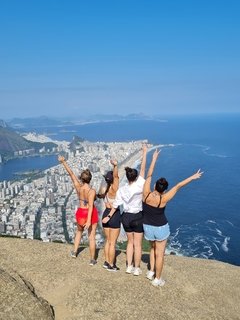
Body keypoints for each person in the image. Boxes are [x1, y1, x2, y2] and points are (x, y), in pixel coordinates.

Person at [142, 149, 203, 287]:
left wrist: (154, 159)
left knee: (152, 248)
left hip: (147, 226)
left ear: (154, 186)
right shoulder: (164, 198)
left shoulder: (145, 193)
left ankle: (151, 271)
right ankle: (157, 279)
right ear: (164, 190)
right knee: (160, 253)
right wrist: (192, 177)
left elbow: (149, 173)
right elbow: (179, 185)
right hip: (161, 228)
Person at [103, 144, 147, 276]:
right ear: (136, 177)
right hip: (138, 216)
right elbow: (143, 169)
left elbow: (115, 205)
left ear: (127, 178)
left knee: (130, 242)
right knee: (138, 245)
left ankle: (128, 266)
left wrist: (108, 217)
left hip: (125, 217)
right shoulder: (140, 184)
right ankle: (137, 268)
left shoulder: (122, 190)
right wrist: (145, 152)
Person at [58, 155, 98, 265]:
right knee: (91, 237)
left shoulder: (78, 187)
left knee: (79, 232)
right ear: (90, 179)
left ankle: (74, 252)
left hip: (80, 212)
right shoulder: (92, 191)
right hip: (89, 213)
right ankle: (92, 259)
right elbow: (90, 207)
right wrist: (89, 220)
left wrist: (63, 162)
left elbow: (71, 174)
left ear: (81, 178)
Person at [97, 160, 120, 272]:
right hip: (113, 215)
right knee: (112, 242)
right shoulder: (114, 189)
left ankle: (106, 262)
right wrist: (115, 165)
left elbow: (113, 178)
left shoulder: (103, 189)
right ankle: (111, 264)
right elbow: (116, 177)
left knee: (108, 240)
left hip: (105, 213)